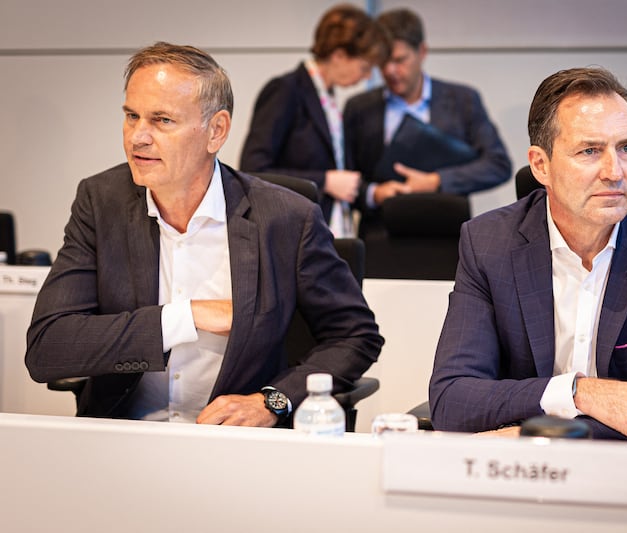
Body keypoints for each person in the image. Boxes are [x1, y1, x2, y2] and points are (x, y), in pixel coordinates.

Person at [25, 42, 383, 427]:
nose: (137, 137)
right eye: (132, 116)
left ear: (216, 131)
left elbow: (355, 336)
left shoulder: (285, 219)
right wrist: (185, 317)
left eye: (162, 120)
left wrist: (272, 402)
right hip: (124, 436)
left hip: (235, 447)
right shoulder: (101, 202)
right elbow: (48, 347)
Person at [428, 67, 627, 454]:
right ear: (541, 165)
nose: (615, 172)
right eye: (590, 151)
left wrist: (550, 435)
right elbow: (452, 398)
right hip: (517, 476)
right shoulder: (487, 244)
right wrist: (580, 393)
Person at [343, 8, 511, 238]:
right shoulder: (359, 108)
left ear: (422, 51)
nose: (390, 71)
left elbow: (497, 165)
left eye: (399, 60)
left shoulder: (463, 100)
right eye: (382, 62)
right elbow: (344, 177)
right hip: (379, 238)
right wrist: (374, 193)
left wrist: (436, 181)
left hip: (446, 237)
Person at [239, 4, 389, 236]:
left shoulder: (329, 99)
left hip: (331, 230)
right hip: (294, 233)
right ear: (339, 55)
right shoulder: (286, 90)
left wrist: (374, 193)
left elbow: (340, 175)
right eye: (364, 67)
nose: (367, 76)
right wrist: (325, 181)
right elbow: (253, 170)